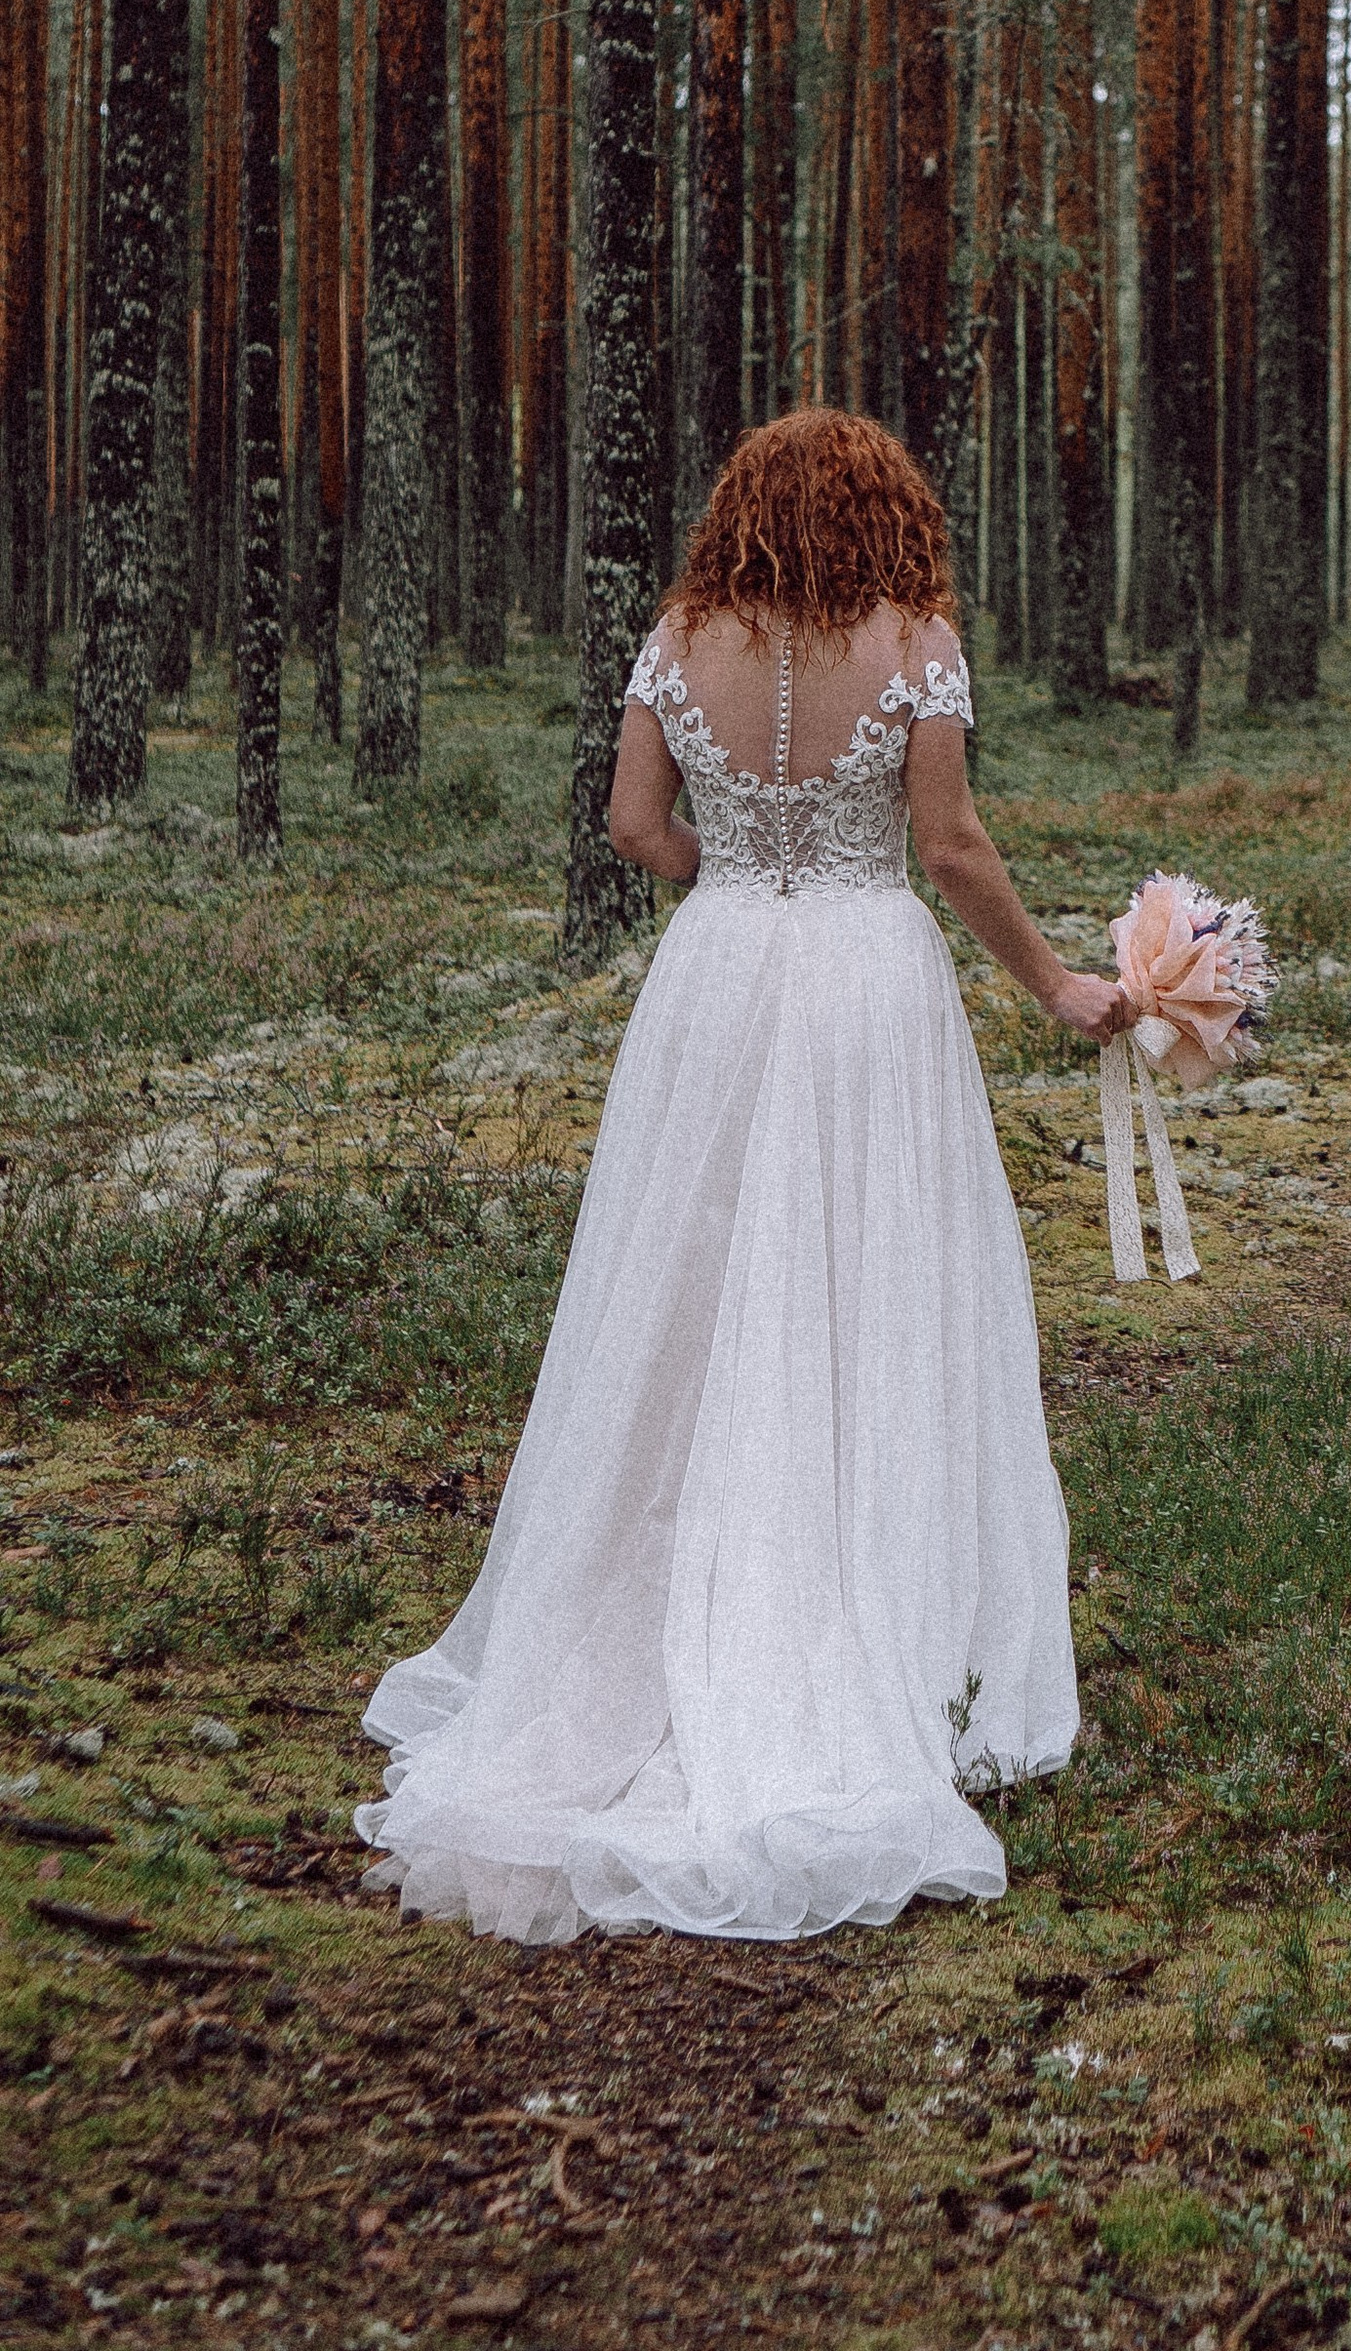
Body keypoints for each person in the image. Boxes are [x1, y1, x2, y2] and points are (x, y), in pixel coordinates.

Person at [355, 408, 1126, 1945]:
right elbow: (954, 843)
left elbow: (636, 825)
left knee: (685, 1298)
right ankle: (883, 1635)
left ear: (743, 513)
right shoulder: (914, 634)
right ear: (888, 512)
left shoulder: (681, 633)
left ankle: (645, 1623)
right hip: (863, 986)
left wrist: (740, 886)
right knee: (873, 1289)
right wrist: (1057, 986)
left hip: (715, 985)